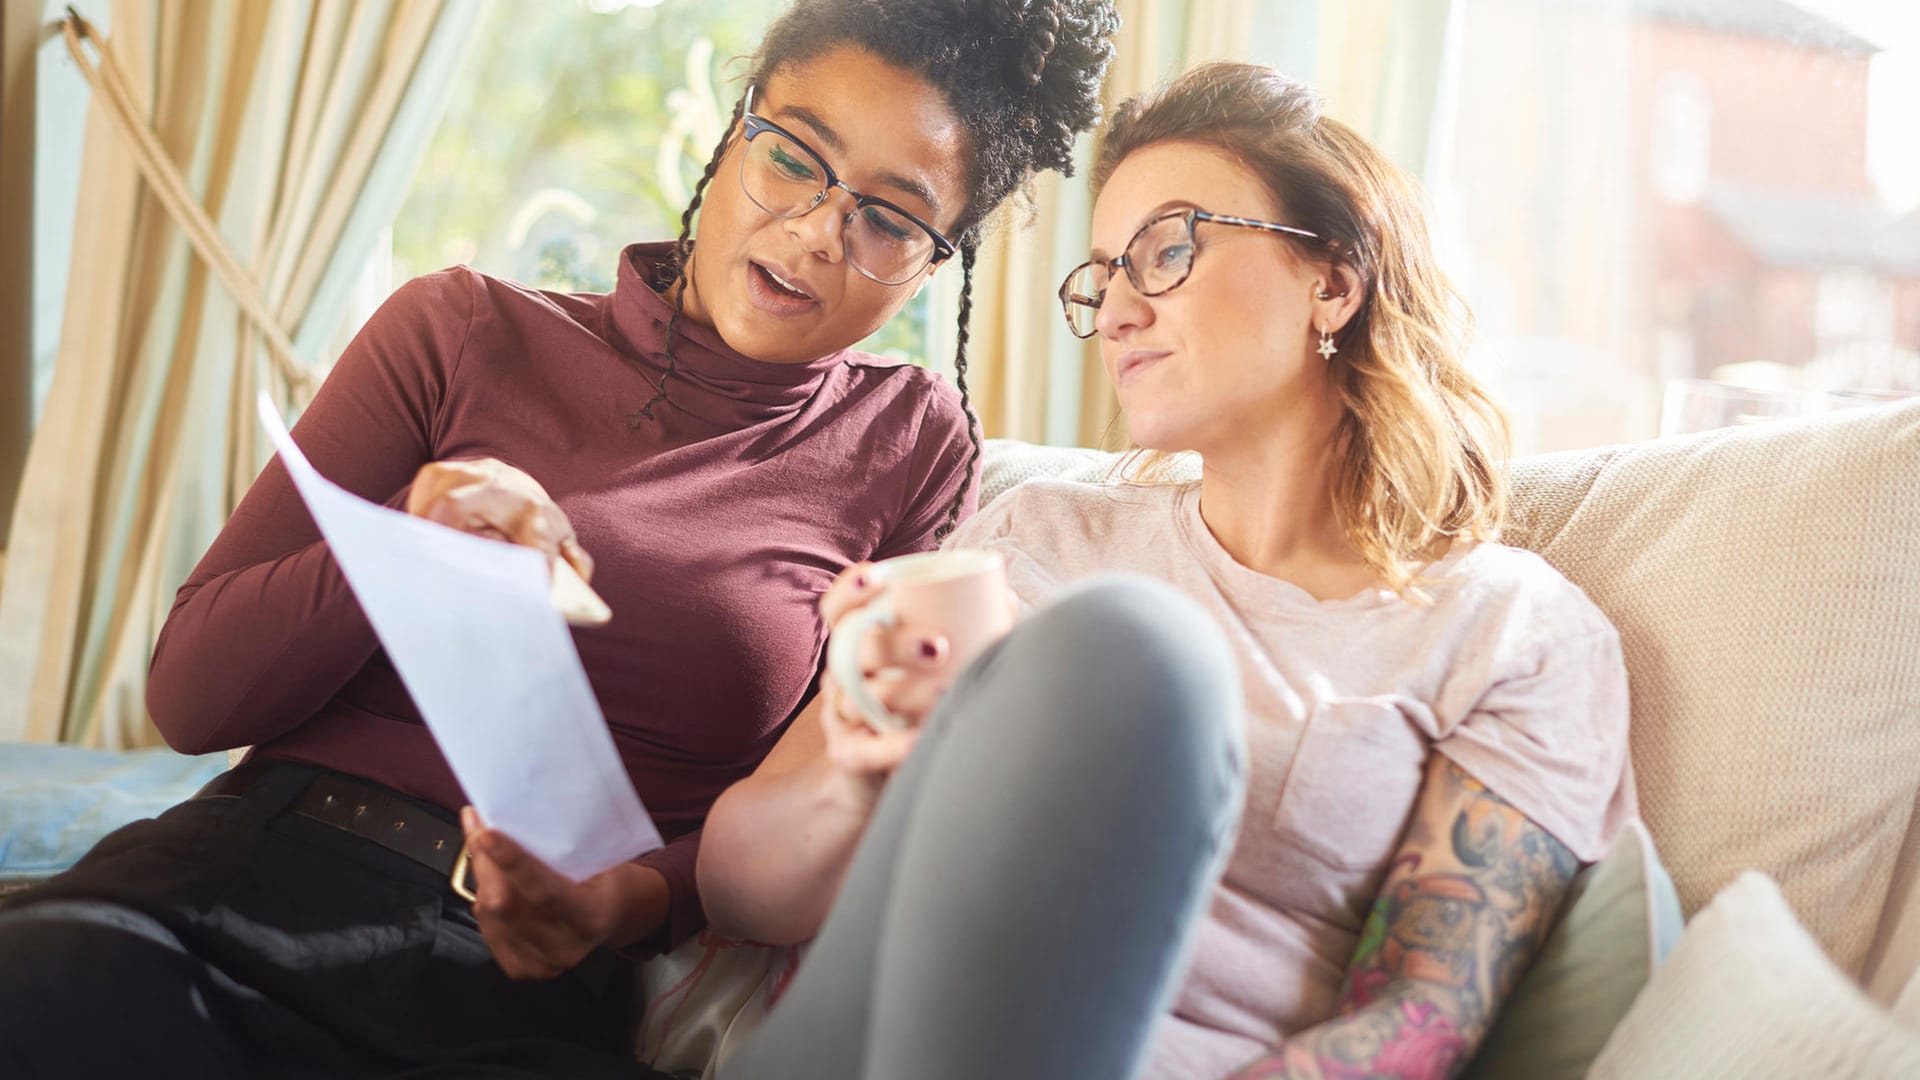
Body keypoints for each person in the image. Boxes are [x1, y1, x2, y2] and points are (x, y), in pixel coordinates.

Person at [0, 2, 1119, 1076]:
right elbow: (192, 701)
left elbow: (810, 793)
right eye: (794, 156)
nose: (822, 231)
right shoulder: (458, 328)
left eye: (891, 217)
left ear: (936, 262)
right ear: (734, 133)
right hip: (243, 885)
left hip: (530, 983)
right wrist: (407, 545)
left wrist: (619, 905)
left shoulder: (910, 444)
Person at [697, 61, 1637, 1080]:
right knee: (1120, 644)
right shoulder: (1035, 538)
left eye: (1167, 252)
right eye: (1102, 278)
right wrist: (861, 771)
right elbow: (739, 892)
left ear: (1332, 279)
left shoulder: (1513, 631)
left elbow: (1417, 1025)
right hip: (859, 1040)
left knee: (1134, 651)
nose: (1116, 313)